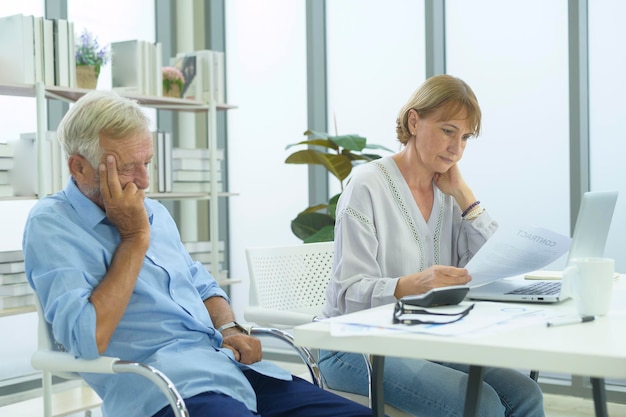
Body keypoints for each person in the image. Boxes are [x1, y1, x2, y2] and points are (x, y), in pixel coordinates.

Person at [22, 90, 377, 417]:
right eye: (127, 167)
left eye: (147, 162)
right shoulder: (52, 224)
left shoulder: (154, 212)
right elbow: (86, 340)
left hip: (229, 367)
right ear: (79, 167)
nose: (144, 181)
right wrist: (133, 240)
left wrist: (229, 325)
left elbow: (199, 284)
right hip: (165, 389)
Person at [320, 74, 545, 417]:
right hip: (354, 345)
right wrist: (414, 284)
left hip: (424, 339)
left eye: (465, 137)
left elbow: (490, 267)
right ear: (414, 121)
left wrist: (467, 198)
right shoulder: (366, 186)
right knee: (481, 405)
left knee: (525, 394)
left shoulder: (449, 193)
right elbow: (347, 293)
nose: (457, 148)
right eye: (447, 131)